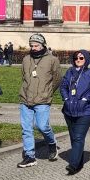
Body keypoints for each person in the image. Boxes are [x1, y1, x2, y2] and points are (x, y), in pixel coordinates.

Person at [17, 34, 61, 168]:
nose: (34, 48)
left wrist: (47, 92)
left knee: (42, 126)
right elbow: (24, 77)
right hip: (25, 98)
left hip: (43, 99)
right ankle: (30, 156)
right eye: (32, 45)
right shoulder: (26, 59)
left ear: (43, 45)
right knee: (26, 129)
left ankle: (52, 143)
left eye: (36, 45)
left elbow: (57, 79)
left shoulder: (53, 60)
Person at [59, 50, 90, 175]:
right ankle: (79, 161)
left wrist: (85, 98)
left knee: (78, 137)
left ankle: (73, 165)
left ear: (86, 59)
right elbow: (63, 86)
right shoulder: (69, 72)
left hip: (85, 111)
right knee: (74, 137)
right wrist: (66, 98)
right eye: (76, 58)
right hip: (69, 110)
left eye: (81, 58)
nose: (78, 60)